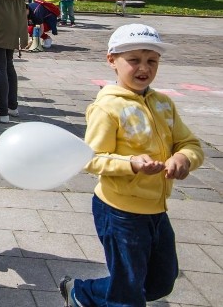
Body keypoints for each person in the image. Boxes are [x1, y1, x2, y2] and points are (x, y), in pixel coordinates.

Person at [60, 24, 204, 307]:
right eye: (134, 60)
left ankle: (83, 292)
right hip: (120, 212)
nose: (144, 68)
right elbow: (90, 159)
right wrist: (131, 163)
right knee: (128, 294)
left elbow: (190, 143)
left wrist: (184, 158)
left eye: (152, 61)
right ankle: (97, 296)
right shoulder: (107, 107)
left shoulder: (163, 103)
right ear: (112, 60)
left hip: (157, 210)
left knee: (161, 280)